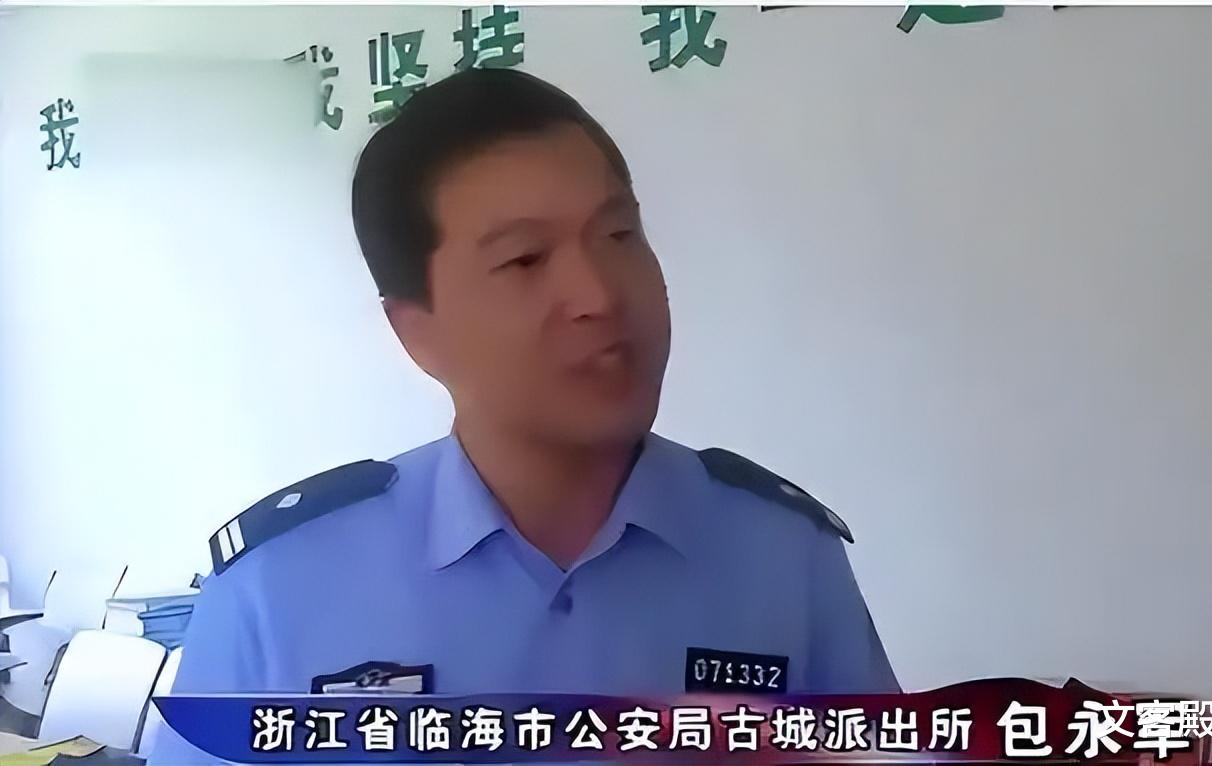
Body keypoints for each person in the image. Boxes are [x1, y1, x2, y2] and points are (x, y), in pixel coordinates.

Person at [150, 67, 897, 763]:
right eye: (525, 260)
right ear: (418, 332)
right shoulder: (276, 592)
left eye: (619, 235)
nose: (599, 296)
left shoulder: (785, 558)